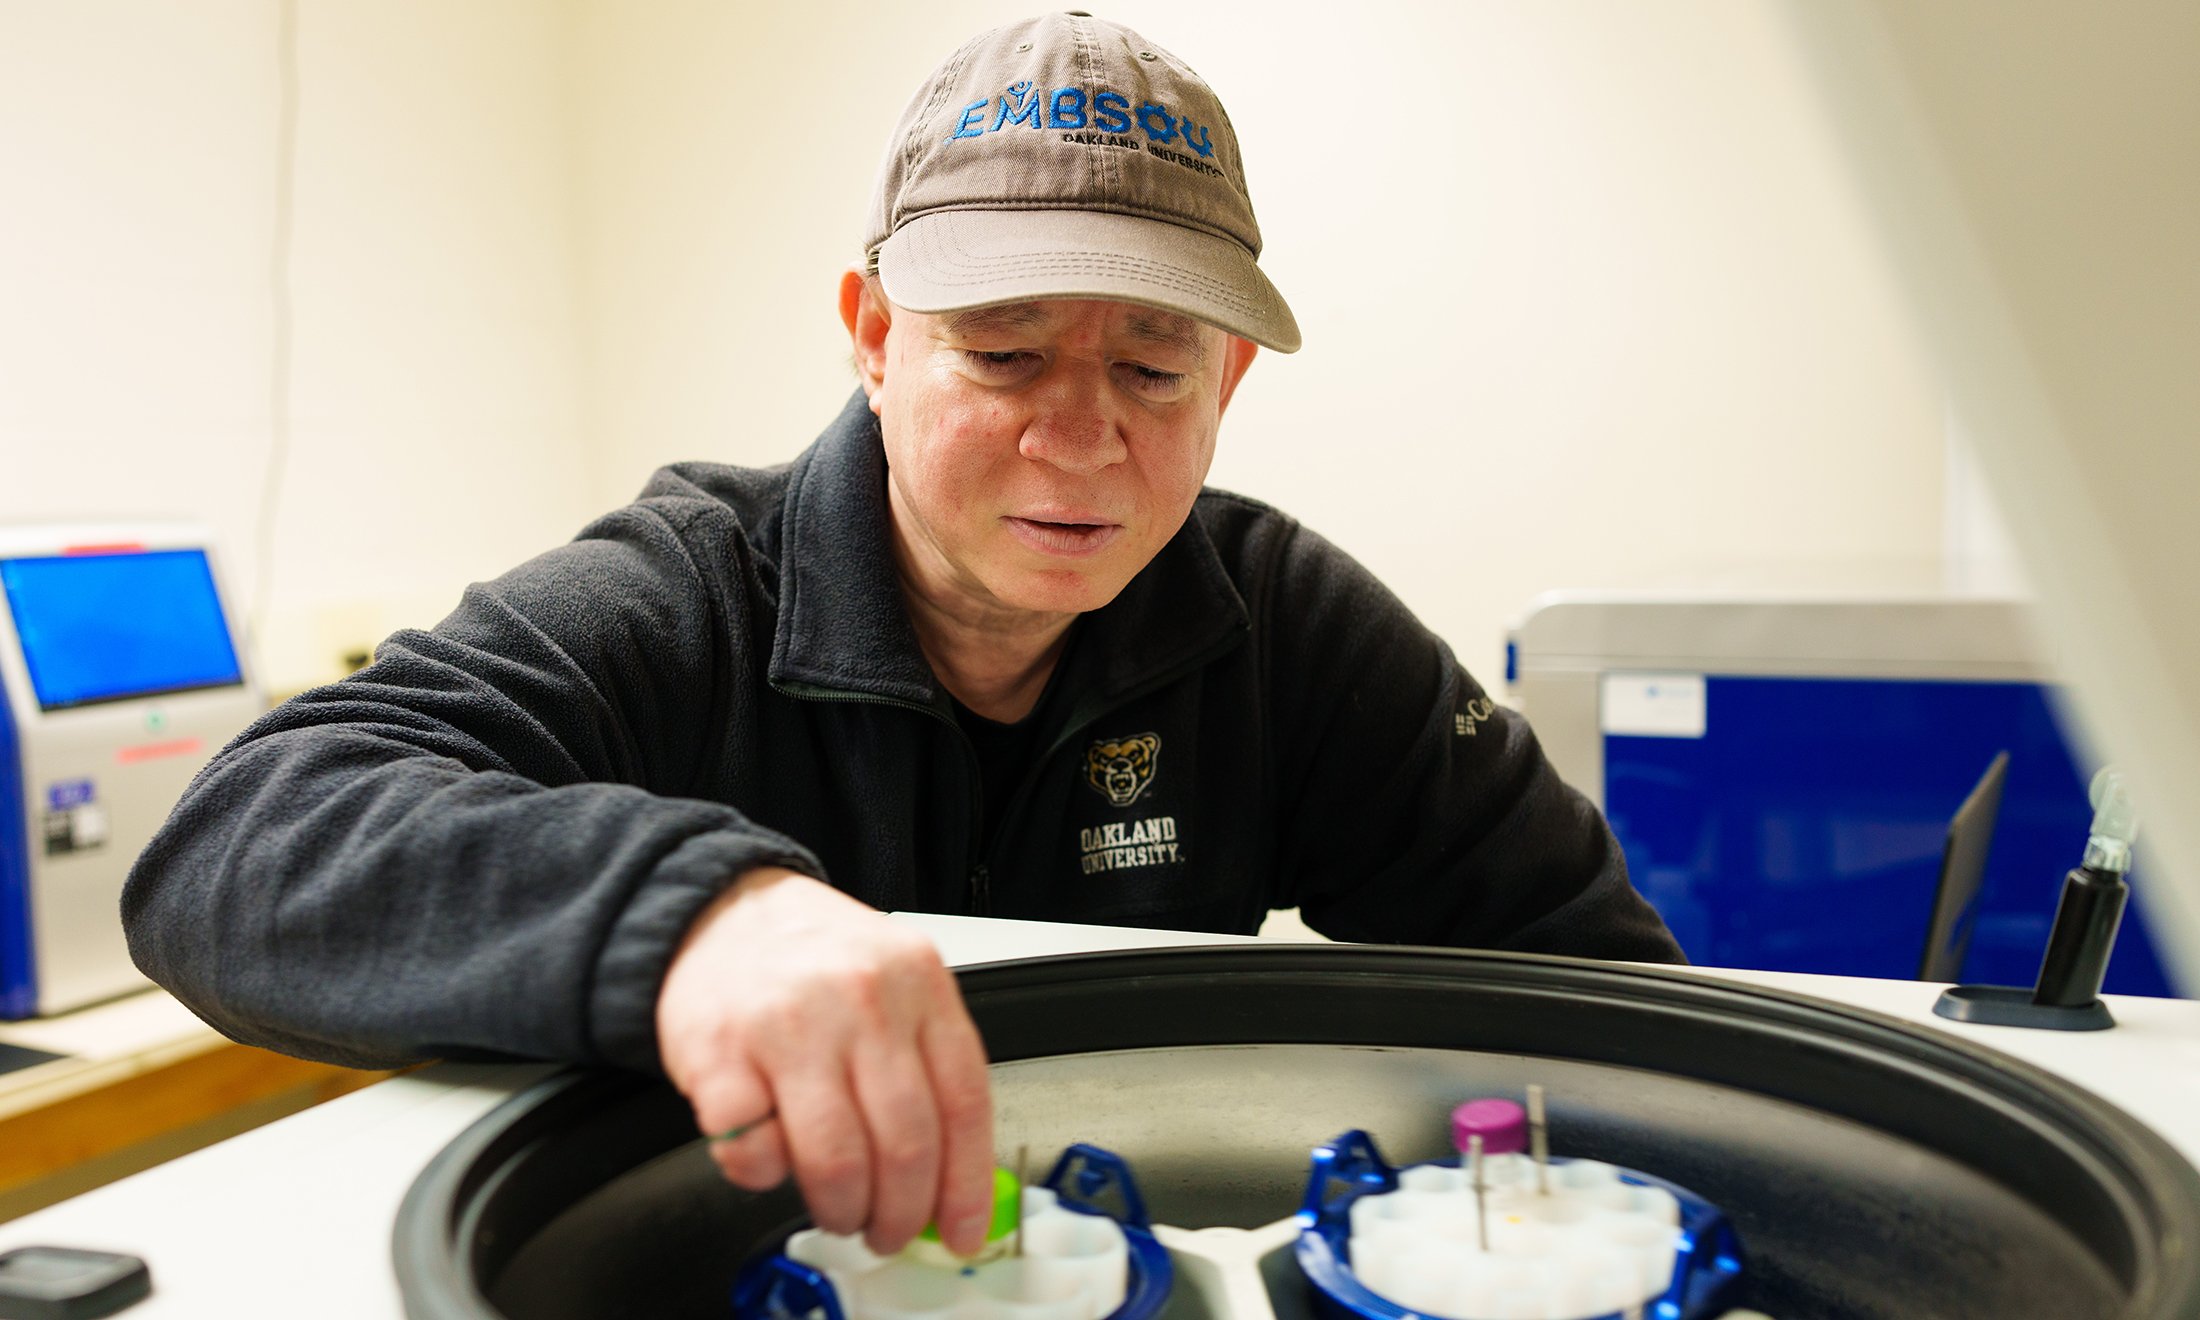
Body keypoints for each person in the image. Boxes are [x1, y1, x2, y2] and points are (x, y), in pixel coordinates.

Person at [125, 12, 1680, 1264]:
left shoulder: (1286, 630)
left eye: (1153, 371)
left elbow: (1615, 1000)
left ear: (1229, 384)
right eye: (1004, 355)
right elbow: (239, 843)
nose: (1080, 441)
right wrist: (698, 921)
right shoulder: (681, 601)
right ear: (874, 338)